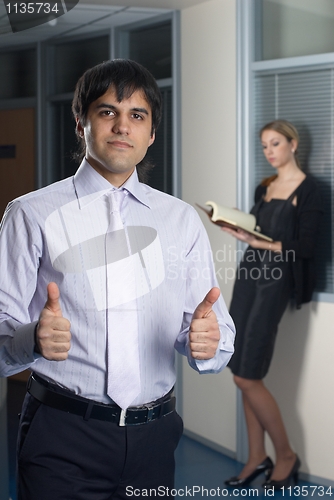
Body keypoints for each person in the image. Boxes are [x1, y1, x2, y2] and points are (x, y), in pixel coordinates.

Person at [0, 59, 235, 500]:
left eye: (137, 115)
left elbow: (216, 335)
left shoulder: (180, 220)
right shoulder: (30, 214)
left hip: (155, 438)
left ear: (151, 134)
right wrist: (31, 338)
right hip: (62, 437)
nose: (122, 126)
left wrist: (206, 340)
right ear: (81, 124)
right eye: (107, 111)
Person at [222, 120, 322, 490]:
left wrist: (264, 245)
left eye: (275, 143)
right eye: (264, 145)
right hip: (249, 276)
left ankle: (285, 455)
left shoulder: (309, 190)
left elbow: (307, 247)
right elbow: (258, 233)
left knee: (247, 375)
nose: (269, 151)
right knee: (240, 370)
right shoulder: (264, 187)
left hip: (276, 282)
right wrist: (238, 229)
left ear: (293, 144)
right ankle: (255, 457)